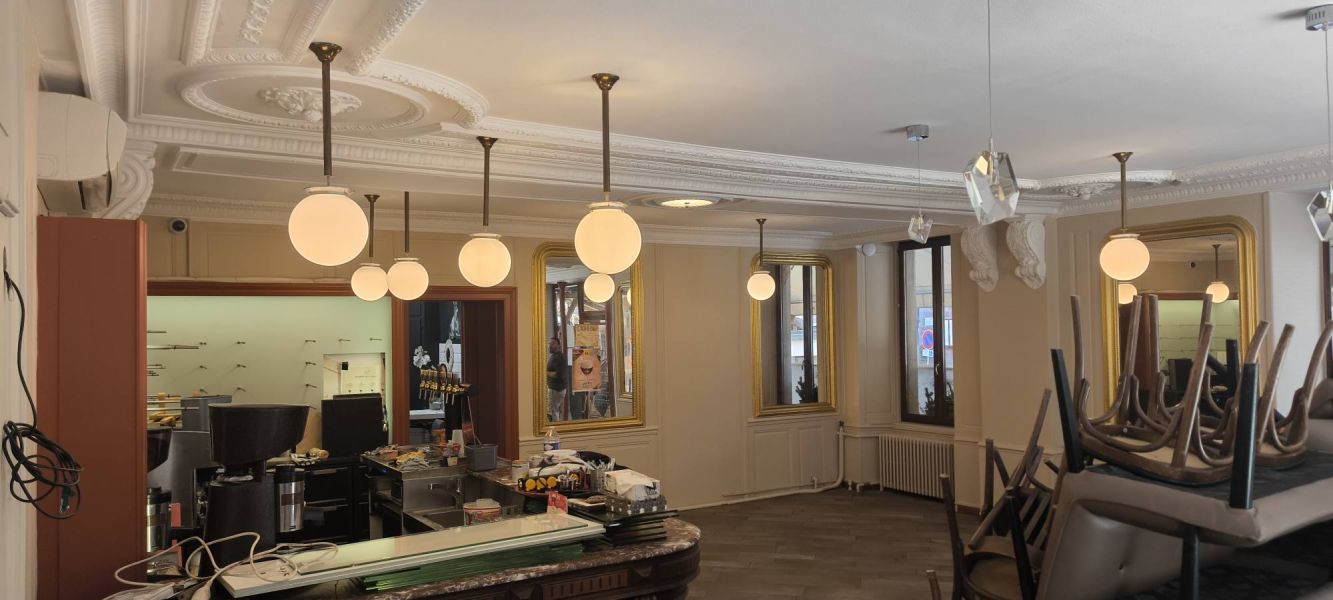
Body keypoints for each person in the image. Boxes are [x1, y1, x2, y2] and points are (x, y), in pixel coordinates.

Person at [546, 336, 567, 422]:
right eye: (549, 344)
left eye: (552, 344)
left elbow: (559, 374)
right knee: (555, 411)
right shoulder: (555, 356)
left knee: (553, 412)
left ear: (558, 345)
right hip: (555, 389)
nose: (549, 346)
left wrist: (545, 372)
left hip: (556, 389)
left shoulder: (559, 357)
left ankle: (555, 428)